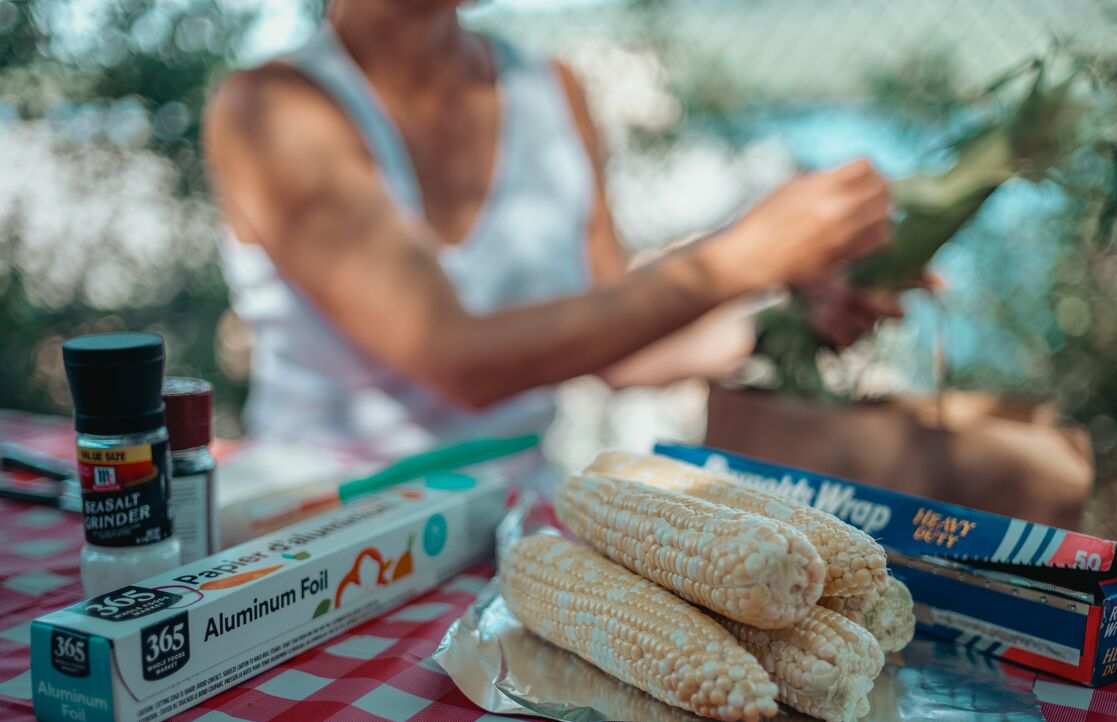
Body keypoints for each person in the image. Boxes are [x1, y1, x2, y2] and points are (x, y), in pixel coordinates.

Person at [204, 0, 919, 463]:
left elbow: (610, 342)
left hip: (510, 527)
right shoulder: (270, 110)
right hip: (320, 543)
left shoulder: (551, 89)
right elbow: (458, 360)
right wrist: (747, 254)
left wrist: (777, 321)